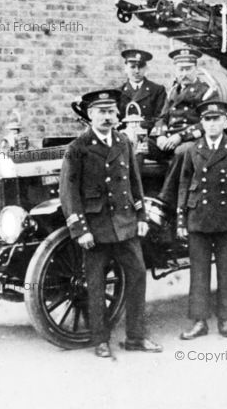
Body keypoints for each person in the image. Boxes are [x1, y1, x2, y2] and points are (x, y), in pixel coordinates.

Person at [59, 89, 162, 358]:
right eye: (101, 112)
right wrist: (80, 229)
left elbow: (134, 183)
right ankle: (100, 340)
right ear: (90, 115)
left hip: (126, 224)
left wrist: (141, 217)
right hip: (96, 228)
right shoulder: (77, 148)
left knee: (138, 276)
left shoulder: (124, 142)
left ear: (118, 114)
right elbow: (68, 192)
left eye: (111, 112)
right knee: (95, 284)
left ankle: (136, 337)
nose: (107, 117)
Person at [176, 101, 227, 340]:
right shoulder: (192, 149)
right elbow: (184, 185)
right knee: (198, 272)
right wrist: (181, 220)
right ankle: (199, 321)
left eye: (216, 119)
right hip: (198, 218)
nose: (211, 124)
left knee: (225, 271)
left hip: (226, 219)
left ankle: (225, 319)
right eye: (207, 119)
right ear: (202, 123)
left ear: (225, 122)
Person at [148, 48, 217, 204]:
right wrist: (160, 135)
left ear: (196, 69)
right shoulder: (173, 90)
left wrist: (180, 136)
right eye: (181, 69)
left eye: (188, 69)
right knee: (142, 145)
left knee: (182, 151)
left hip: (193, 140)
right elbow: (162, 117)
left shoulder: (206, 92)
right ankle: (134, 194)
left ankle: (165, 199)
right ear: (176, 70)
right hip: (169, 137)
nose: (184, 73)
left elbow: (208, 122)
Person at [117, 49, 166, 132]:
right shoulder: (118, 92)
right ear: (125, 68)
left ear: (146, 68)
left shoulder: (157, 90)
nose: (137, 71)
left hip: (148, 134)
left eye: (140, 67)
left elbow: (160, 117)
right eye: (132, 67)